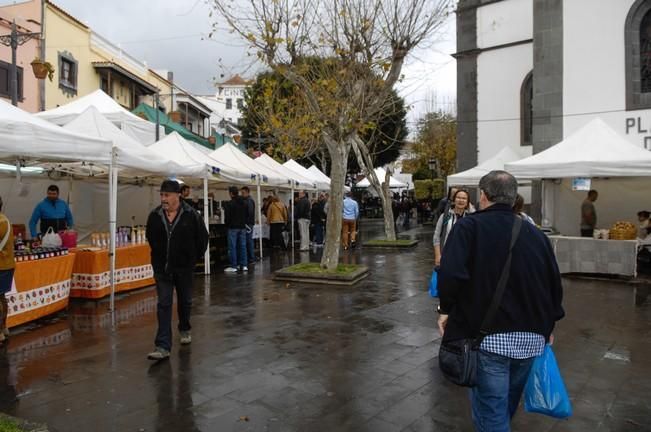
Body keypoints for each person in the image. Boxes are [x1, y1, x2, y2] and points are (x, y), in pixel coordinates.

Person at [437, 171, 564, 430]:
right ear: (514, 197)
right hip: (531, 338)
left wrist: (445, 309)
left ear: (482, 195)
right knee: (503, 407)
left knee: (492, 412)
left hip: (488, 339)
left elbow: (451, 273)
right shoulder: (536, 234)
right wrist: (550, 324)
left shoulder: (470, 227)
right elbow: (553, 283)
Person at [145, 180, 209, 360]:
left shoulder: (191, 215)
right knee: (164, 304)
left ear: (177, 195)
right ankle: (162, 346)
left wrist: (192, 259)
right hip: (162, 269)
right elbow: (150, 237)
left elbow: (203, 238)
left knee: (185, 301)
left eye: (167, 195)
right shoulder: (155, 216)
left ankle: (185, 328)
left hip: (184, 268)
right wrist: (158, 259)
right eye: (161, 195)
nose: (163, 199)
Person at [433, 189, 471, 267]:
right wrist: (437, 255)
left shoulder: (470, 218)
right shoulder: (445, 216)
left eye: (464, 198)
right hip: (446, 256)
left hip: (464, 258)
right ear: (454, 200)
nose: (461, 200)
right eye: (458, 197)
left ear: (467, 202)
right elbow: (436, 237)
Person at [224, 186, 249, 273]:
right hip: (242, 227)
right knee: (242, 246)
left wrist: (227, 225)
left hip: (233, 227)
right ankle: (244, 265)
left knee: (232, 247)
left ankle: (234, 265)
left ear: (231, 193)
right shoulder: (244, 203)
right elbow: (247, 214)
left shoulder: (229, 204)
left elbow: (227, 217)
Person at [0, 197, 14, 345]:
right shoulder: (6, 220)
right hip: (7, 264)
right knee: (2, 297)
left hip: (1, 265)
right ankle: (4, 328)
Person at [241, 186, 257, 263]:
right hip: (248, 223)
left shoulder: (249, 201)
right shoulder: (247, 200)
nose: (242, 194)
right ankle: (250, 257)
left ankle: (251, 258)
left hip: (248, 224)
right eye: (241, 193)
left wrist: (245, 221)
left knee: (249, 240)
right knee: (248, 240)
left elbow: (250, 213)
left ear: (247, 192)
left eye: (243, 193)